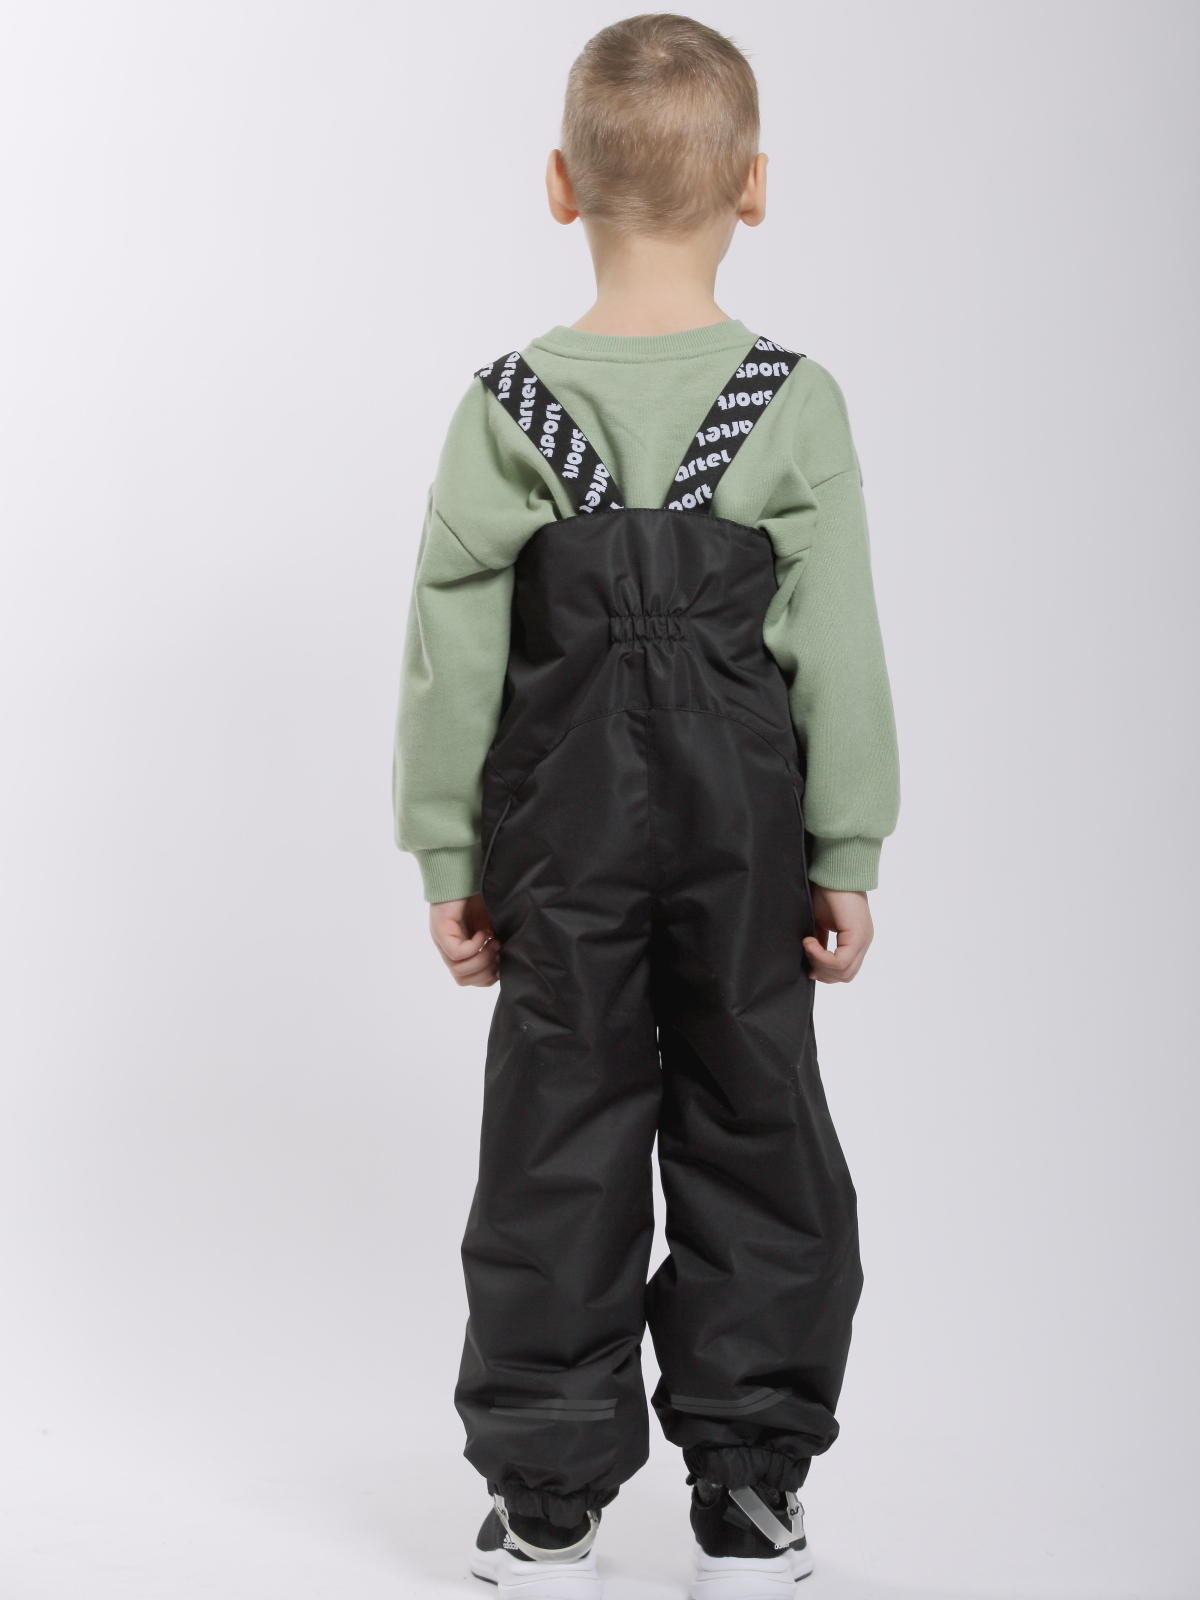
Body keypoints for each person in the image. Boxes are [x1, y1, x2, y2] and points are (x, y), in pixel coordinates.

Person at [393, 15, 899, 1597]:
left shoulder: (508, 407)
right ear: (756, 187)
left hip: (562, 845)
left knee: (559, 1132)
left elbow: (450, 654)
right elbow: (839, 646)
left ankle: (548, 1502)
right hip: (747, 846)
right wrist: (846, 846)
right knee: (759, 1123)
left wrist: (449, 853)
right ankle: (750, 1492)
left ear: (560, 185)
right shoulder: (792, 403)